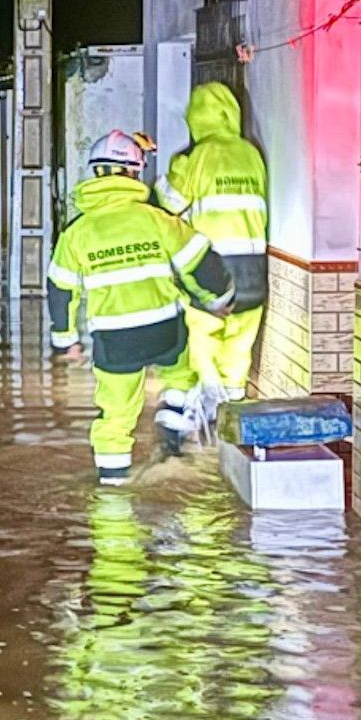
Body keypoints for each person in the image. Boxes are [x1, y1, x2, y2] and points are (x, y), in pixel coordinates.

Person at [48, 130, 236, 483]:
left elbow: (60, 289)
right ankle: (171, 427)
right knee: (182, 373)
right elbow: (203, 262)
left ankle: (113, 494)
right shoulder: (156, 219)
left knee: (115, 416)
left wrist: (65, 339)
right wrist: (219, 300)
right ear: (134, 172)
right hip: (166, 331)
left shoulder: (76, 232)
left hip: (114, 342)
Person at [155, 82, 270, 423]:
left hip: (213, 267)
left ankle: (201, 409)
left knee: (202, 337)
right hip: (254, 267)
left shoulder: (196, 157)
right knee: (240, 341)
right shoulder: (251, 153)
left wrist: (173, 169)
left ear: (195, 119)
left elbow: (170, 204)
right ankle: (232, 415)